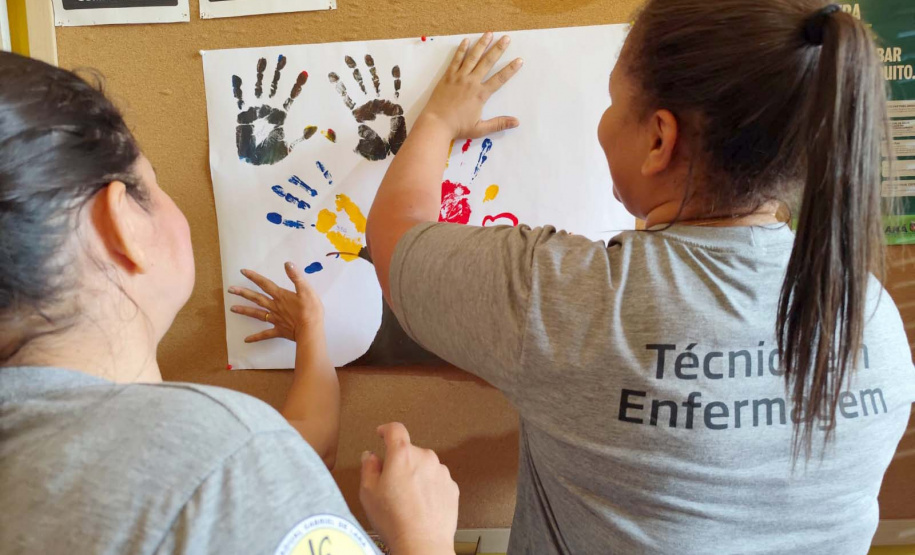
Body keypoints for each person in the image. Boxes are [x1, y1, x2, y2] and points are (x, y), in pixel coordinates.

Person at [365, 2, 915, 553]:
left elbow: (395, 241)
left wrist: (437, 120)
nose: (603, 121)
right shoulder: (875, 320)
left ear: (659, 140)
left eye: (612, 102)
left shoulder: (566, 298)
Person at [0, 51, 458, 555]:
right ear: (122, 225)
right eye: (154, 182)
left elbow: (301, 446)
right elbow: (248, 467)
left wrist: (312, 339)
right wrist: (422, 537)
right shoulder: (230, 461)